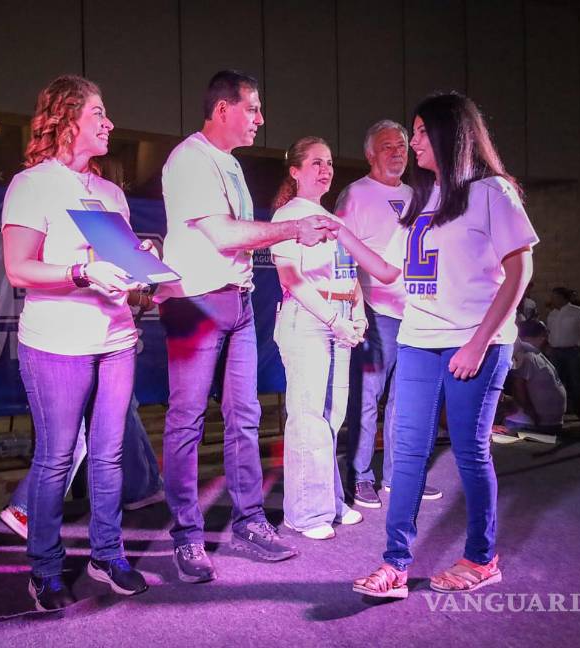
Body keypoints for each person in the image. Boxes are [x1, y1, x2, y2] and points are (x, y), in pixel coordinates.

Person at [352, 92, 538, 599]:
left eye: (418, 132)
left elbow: (520, 271)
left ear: (449, 134)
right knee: (407, 452)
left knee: (470, 451)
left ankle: (482, 557)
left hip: (475, 344)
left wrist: (478, 344)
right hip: (417, 340)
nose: (411, 143)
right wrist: (337, 231)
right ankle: (394, 564)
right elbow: (389, 269)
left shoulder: (492, 191)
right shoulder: (425, 197)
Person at [156, 70, 339, 583]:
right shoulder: (190, 159)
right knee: (187, 420)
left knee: (245, 416)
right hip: (196, 303)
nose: (260, 119)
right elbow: (221, 234)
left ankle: (250, 521)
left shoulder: (231, 166)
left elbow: (235, 237)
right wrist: (292, 228)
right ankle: (187, 535)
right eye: (252, 108)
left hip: (237, 302)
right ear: (222, 110)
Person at [1, 75, 150, 611]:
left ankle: (107, 554)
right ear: (66, 119)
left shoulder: (110, 192)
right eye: (98, 113)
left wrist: (143, 275)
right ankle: (43, 569)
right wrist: (83, 271)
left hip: (115, 337)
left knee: (109, 457)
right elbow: (19, 269)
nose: (109, 123)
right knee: (56, 459)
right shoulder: (32, 184)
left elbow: (125, 268)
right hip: (56, 341)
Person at [0, 290, 165, 540]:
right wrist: (141, 297)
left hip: (104, 336)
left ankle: (143, 487)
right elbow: (96, 283)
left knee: (121, 411)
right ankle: (27, 509)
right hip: (74, 337)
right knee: (75, 430)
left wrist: (141, 293)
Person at [336, 119, 442, 509]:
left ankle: (400, 476)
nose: (397, 151)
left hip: (414, 311)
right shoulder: (355, 195)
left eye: (401, 145)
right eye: (387, 146)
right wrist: (353, 306)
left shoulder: (418, 195)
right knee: (367, 399)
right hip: (375, 311)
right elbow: (341, 257)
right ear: (370, 153)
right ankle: (360, 475)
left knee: (406, 400)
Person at [269, 136, 365, 539]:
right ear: (295, 170)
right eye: (315, 163)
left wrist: (357, 312)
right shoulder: (286, 217)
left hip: (339, 317)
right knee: (308, 416)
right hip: (306, 318)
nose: (325, 170)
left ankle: (327, 500)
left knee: (332, 416)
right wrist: (332, 316)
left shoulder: (335, 218)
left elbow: (350, 273)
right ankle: (305, 512)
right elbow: (290, 278)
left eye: (328, 163)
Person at [501, 320, 566, 434]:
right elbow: (518, 385)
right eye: (543, 336)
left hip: (544, 422)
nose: (545, 339)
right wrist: (529, 410)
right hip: (530, 422)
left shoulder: (534, 353)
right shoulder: (526, 354)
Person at [546, 286, 580, 422]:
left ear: (562, 297)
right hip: (556, 351)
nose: (552, 299)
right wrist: (550, 345)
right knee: (556, 382)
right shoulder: (552, 314)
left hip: (572, 351)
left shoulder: (577, 312)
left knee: (576, 381)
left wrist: (579, 347)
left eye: (555, 297)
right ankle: (557, 412)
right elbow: (549, 332)